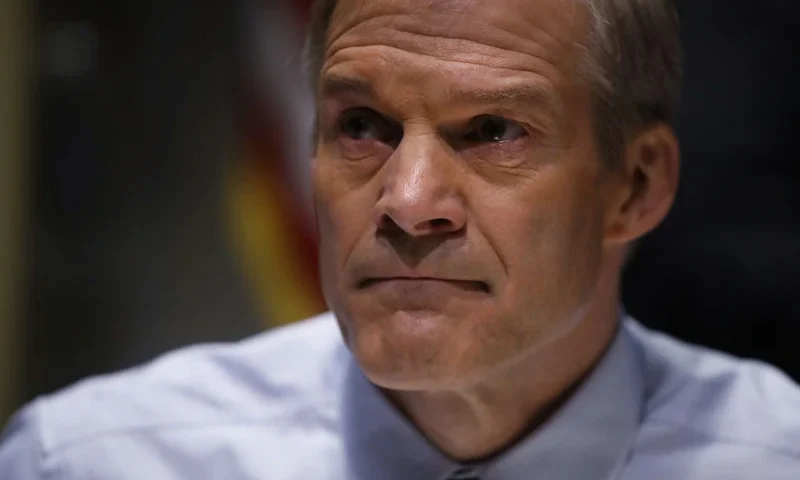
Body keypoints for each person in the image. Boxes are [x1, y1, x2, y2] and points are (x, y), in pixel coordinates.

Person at [2, 0, 799, 478]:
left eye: (493, 132)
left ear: (636, 186)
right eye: (361, 126)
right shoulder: (90, 461)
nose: (408, 203)